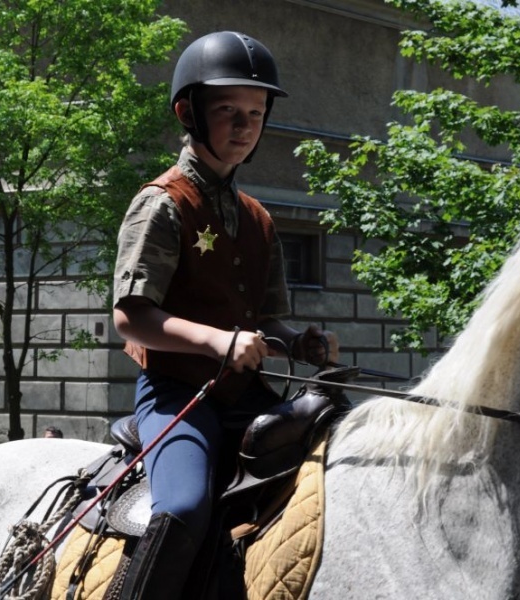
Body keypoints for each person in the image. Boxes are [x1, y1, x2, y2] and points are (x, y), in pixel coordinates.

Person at [112, 30, 339, 599]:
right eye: (227, 111)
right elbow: (131, 317)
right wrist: (217, 341)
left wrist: (298, 342)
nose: (244, 126)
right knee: (185, 507)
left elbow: (268, 320)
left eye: (255, 114)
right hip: (175, 396)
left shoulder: (259, 218)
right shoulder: (161, 204)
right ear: (188, 113)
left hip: (247, 397)